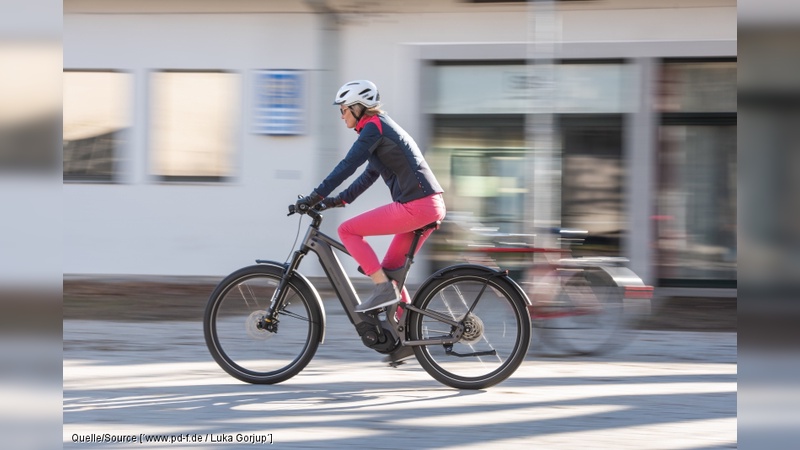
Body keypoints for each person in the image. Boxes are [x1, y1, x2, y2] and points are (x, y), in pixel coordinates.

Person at [294, 79, 446, 317]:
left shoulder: (374, 128)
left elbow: (347, 165)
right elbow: (369, 175)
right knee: (390, 273)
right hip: (429, 205)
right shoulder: (380, 129)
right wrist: (335, 200)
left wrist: (315, 196)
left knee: (347, 230)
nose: (341, 116)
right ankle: (406, 336)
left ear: (357, 107)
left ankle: (382, 288)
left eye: (343, 110)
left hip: (417, 206)